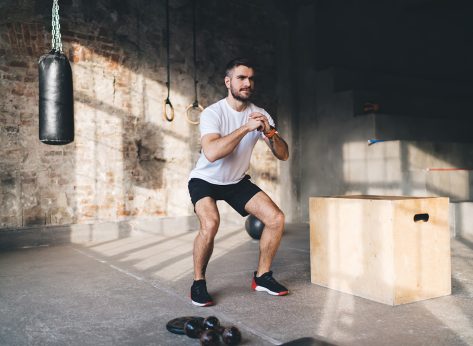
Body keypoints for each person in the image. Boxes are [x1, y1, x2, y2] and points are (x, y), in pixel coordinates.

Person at [187, 58, 290, 306]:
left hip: (236, 181)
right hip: (205, 180)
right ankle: (198, 283)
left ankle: (262, 277)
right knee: (210, 223)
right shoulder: (213, 112)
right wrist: (246, 128)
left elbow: (283, 154)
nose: (247, 83)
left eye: (251, 78)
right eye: (241, 78)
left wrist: (269, 132)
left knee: (276, 219)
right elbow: (211, 152)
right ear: (228, 81)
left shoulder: (260, 113)